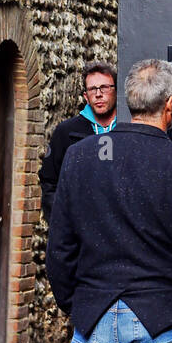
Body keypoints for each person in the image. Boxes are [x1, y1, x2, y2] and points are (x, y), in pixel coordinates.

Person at [46, 58, 172, 343]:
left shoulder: (79, 156)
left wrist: (80, 306)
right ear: (169, 105)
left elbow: (59, 250)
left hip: (93, 316)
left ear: (129, 100)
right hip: (163, 318)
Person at [39, 61, 119, 224]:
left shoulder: (128, 129)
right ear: (85, 96)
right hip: (79, 232)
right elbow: (49, 182)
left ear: (116, 91)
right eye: (92, 89)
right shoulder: (66, 132)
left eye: (104, 87)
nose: (98, 94)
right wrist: (63, 224)